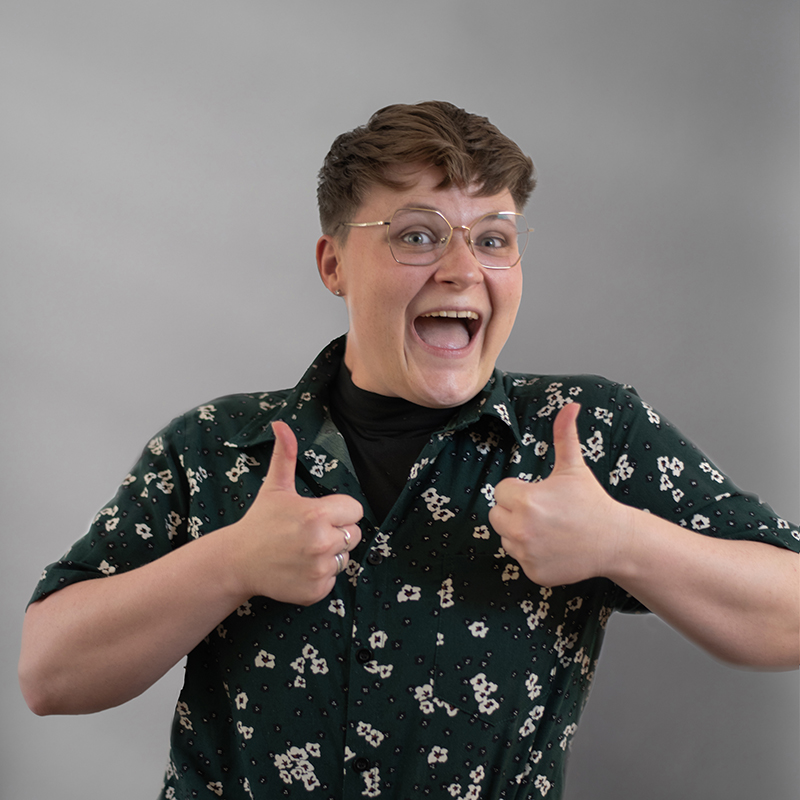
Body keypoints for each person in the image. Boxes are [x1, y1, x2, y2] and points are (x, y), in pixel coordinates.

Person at [19, 101, 799, 800]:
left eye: (493, 238)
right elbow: (49, 674)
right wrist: (229, 565)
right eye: (418, 236)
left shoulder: (584, 433)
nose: (463, 269)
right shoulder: (214, 447)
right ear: (333, 264)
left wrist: (622, 541)